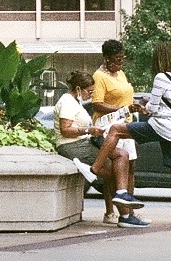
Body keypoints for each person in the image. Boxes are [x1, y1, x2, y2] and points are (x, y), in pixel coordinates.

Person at [94, 42, 171, 230]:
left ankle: (94, 168)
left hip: (160, 127)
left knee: (116, 130)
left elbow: (152, 109)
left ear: (161, 59)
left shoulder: (161, 77)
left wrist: (146, 105)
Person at [52, 69, 131, 225]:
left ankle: (120, 207)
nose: (92, 95)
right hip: (73, 145)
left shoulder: (75, 102)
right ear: (78, 89)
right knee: (114, 171)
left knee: (120, 155)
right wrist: (88, 130)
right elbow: (65, 129)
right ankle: (125, 215)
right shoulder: (67, 101)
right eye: (89, 92)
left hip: (84, 142)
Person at [87, 38, 147, 227]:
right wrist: (120, 109)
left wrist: (131, 108)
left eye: (122, 59)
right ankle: (115, 212)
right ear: (106, 58)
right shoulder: (99, 76)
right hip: (109, 126)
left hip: (126, 125)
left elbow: (126, 98)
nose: (120, 63)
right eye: (116, 59)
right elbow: (97, 103)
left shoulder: (120, 73)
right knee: (115, 172)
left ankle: (129, 211)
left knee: (130, 169)